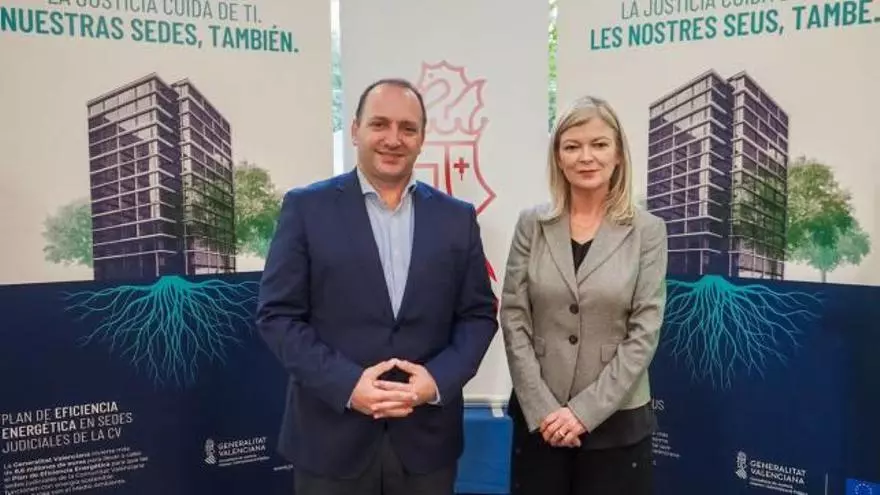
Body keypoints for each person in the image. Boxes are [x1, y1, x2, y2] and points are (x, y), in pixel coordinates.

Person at [256, 78, 498, 495]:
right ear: (355, 130)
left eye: (408, 128)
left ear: (422, 139)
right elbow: (277, 316)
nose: (393, 139)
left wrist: (436, 381)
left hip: (426, 444)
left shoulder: (456, 218)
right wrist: (348, 385)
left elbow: (478, 315)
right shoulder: (306, 208)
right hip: (330, 441)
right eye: (379, 124)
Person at [499, 95, 668, 495]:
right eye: (572, 146)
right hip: (540, 419)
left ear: (618, 155)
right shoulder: (532, 224)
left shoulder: (648, 231)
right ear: (558, 158)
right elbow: (513, 316)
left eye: (599, 144)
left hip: (617, 422)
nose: (586, 157)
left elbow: (644, 332)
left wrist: (582, 413)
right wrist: (543, 409)